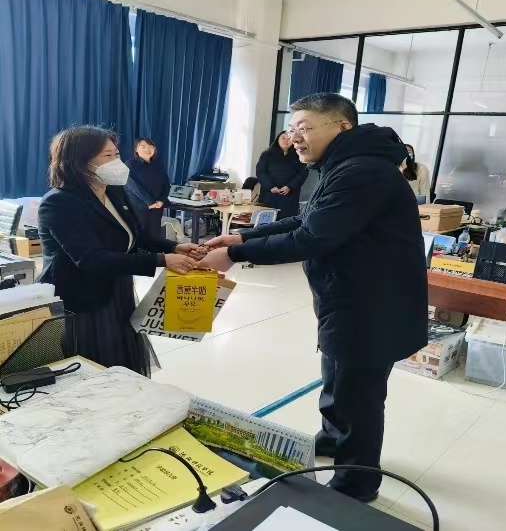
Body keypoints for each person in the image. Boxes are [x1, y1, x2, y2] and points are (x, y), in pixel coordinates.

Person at [200, 94, 428, 503]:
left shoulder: (363, 171)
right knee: (336, 376)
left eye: (304, 128)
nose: (295, 138)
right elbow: (308, 217)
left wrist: (235, 255)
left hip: (371, 306)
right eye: (292, 129)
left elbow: (311, 237)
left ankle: (356, 484)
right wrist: (242, 236)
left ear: (341, 126)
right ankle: (333, 438)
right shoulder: (344, 164)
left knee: (358, 397)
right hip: (347, 297)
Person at [37, 126, 205, 376]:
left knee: (122, 362)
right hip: (82, 299)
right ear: (80, 161)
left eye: (116, 154)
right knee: (94, 370)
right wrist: (162, 260)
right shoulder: (59, 202)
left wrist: (175, 246)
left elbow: (137, 235)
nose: (117, 162)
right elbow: (91, 259)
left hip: (118, 289)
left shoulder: (114, 192)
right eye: (108, 156)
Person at [256, 131, 308, 219]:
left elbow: (303, 173)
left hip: (289, 194)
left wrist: (290, 186)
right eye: (283, 138)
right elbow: (261, 172)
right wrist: (271, 187)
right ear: (277, 140)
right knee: (266, 221)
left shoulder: (299, 155)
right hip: (269, 194)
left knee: (286, 221)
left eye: (289, 139)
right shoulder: (267, 154)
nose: (286, 141)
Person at [125, 138, 171, 237]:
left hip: (157, 206)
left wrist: (161, 200)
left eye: (151, 147)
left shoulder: (158, 164)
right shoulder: (130, 164)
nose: (148, 149)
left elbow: (166, 184)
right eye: (143, 147)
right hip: (139, 206)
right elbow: (133, 185)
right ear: (136, 149)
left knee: (155, 234)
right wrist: (150, 202)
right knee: (140, 235)